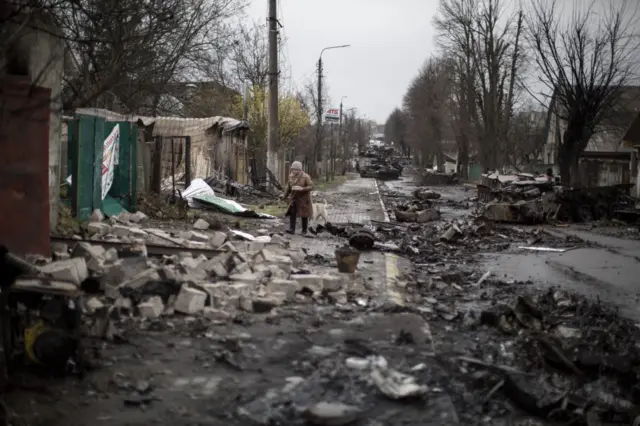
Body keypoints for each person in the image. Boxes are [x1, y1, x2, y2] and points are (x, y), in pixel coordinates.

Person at [283, 161, 314, 235]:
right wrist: (285, 196)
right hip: (294, 198)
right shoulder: (291, 176)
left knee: (304, 215)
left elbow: (311, 186)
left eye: (296, 169)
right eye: (293, 169)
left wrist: (302, 189)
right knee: (292, 213)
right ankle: (292, 229)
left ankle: (304, 230)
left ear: (300, 170)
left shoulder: (306, 176)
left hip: (304, 198)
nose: (294, 171)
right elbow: (289, 187)